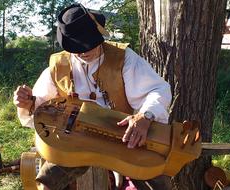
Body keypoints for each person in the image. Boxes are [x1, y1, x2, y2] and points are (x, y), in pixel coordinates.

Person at [13, 3, 172, 190]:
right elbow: (42, 106)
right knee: (47, 183)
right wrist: (28, 102)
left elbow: (158, 90)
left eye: (87, 44)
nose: (82, 51)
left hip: (122, 137)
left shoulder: (123, 58)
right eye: (75, 47)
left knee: (155, 181)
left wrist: (144, 116)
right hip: (75, 140)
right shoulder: (58, 65)